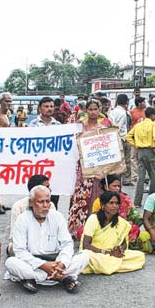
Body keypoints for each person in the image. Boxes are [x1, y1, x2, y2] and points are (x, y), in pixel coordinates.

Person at [5, 185, 89, 293]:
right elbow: (20, 251)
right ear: (31, 203)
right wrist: (43, 265)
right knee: (11, 262)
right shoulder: (22, 220)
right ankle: (61, 278)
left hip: (56, 261)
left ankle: (36, 278)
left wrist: (62, 263)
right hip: (33, 263)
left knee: (85, 256)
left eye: (47, 201)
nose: (45, 206)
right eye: (41, 202)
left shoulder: (57, 217)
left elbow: (67, 244)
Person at [67, 99, 111, 235]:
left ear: (100, 110)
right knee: (81, 196)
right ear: (86, 110)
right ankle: (78, 228)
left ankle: (97, 228)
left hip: (98, 167)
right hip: (82, 167)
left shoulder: (104, 127)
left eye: (95, 109)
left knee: (97, 195)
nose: (93, 112)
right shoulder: (79, 126)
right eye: (90, 109)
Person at [79, 191, 145, 275]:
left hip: (112, 255)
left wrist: (120, 251)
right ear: (103, 205)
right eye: (111, 203)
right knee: (87, 255)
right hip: (96, 254)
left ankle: (107, 266)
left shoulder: (121, 222)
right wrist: (108, 253)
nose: (115, 206)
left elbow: (124, 243)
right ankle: (112, 265)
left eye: (117, 203)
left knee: (139, 256)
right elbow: (86, 245)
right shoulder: (93, 219)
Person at [8, 174, 56, 256]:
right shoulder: (18, 207)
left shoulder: (50, 206)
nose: (50, 190)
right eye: (47, 187)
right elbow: (15, 236)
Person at [87, 175, 141, 242]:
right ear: (106, 187)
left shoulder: (126, 199)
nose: (117, 188)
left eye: (119, 186)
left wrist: (130, 222)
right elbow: (95, 218)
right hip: (103, 228)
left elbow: (135, 216)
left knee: (134, 228)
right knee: (83, 231)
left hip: (120, 228)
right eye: (114, 186)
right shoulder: (98, 201)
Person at [125, 106, 155, 207]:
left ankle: (137, 201)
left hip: (140, 151)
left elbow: (128, 136)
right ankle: (152, 199)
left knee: (141, 177)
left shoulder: (138, 125)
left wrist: (136, 144)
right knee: (153, 175)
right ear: (153, 115)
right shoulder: (154, 125)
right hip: (150, 150)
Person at [109, 94, 132, 185]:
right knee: (126, 160)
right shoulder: (123, 113)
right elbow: (118, 127)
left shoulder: (112, 112)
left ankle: (115, 181)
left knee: (117, 161)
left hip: (114, 138)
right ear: (126, 102)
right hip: (122, 138)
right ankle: (125, 180)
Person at [128, 96, 147, 185]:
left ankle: (143, 177)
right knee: (133, 158)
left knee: (143, 158)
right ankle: (134, 178)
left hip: (144, 138)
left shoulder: (146, 111)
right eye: (143, 102)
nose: (145, 103)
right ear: (139, 103)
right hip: (135, 138)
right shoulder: (131, 112)